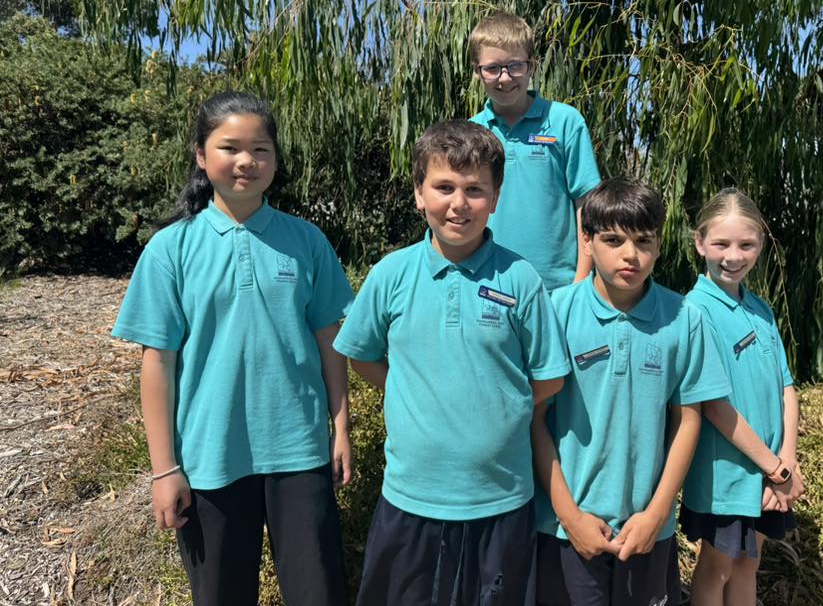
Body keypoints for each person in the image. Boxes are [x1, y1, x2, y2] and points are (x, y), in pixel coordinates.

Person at [112, 92, 353, 606]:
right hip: (209, 457)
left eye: (261, 149)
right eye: (230, 147)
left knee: (320, 592)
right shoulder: (171, 249)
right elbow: (158, 363)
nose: (247, 161)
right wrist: (164, 469)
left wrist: (341, 429)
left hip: (299, 451)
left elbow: (329, 340)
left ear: (275, 160)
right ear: (201, 155)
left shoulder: (306, 241)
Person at [334, 119, 571, 606]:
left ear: (496, 198)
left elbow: (547, 379)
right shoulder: (391, 274)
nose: (459, 203)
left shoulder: (521, 278)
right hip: (411, 500)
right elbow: (361, 356)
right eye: (444, 187)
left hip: (500, 501)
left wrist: (500, 403)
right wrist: (412, 390)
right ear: (419, 194)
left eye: (474, 190)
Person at [534, 178, 730, 606]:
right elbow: (535, 419)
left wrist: (657, 514)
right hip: (566, 530)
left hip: (647, 530)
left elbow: (688, 421)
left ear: (659, 246)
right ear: (586, 241)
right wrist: (570, 516)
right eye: (613, 240)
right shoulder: (555, 312)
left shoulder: (684, 318)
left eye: (644, 241)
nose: (630, 254)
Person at [680, 188, 805, 606]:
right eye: (721, 244)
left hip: (770, 474)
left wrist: (787, 461)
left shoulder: (761, 309)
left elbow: (787, 388)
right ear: (700, 243)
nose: (733, 256)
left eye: (745, 245)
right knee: (717, 567)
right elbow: (715, 407)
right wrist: (775, 469)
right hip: (727, 476)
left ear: (761, 245)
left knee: (750, 563)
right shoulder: (695, 311)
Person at [469, 11, 601, 290]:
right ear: (477, 71)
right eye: (492, 68)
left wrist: (580, 283)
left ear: (532, 66)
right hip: (488, 283)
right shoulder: (470, 132)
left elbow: (588, 204)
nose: (505, 78)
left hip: (558, 289)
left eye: (515, 66)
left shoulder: (565, 122)